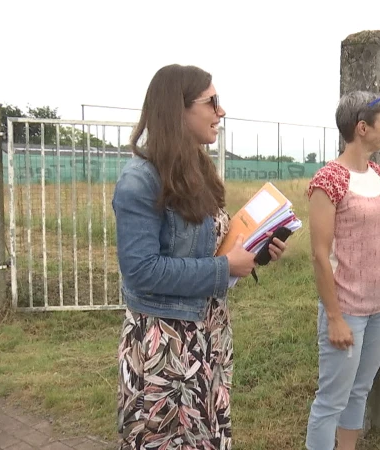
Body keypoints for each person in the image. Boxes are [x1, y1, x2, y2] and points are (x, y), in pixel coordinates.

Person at [112, 64, 287, 450]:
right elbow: (141, 270)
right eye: (212, 102)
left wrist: (255, 252)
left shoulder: (197, 170)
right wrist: (224, 268)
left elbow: (208, 249)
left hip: (208, 338)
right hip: (165, 348)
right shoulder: (140, 180)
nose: (220, 111)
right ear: (178, 109)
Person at [304, 91, 380, 450]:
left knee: (360, 391)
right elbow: (319, 255)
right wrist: (334, 316)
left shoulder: (378, 173)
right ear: (362, 128)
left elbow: (378, 239)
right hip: (347, 310)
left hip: (379, 308)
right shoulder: (329, 180)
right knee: (332, 400)